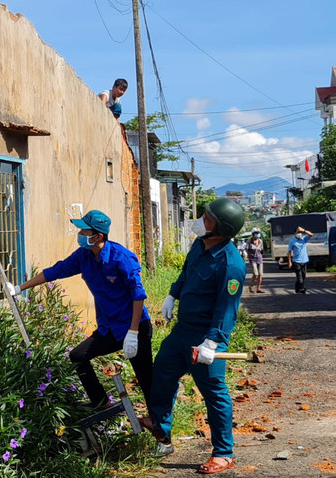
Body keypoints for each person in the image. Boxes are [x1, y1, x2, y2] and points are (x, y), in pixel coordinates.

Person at [5, 210, 154, 410]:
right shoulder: (84, 256)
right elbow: (55, 271)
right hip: (109, 328)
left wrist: (134, 332)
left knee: (147, 381)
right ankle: (101, 402)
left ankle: (160, 428)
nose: (80, 234)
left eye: (84, 231)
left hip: (134, 326)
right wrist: (18, 288)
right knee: (78, 356)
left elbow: (138, 295)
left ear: (98, 236)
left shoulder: (122, 258)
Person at [140, 197, 246, 475]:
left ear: (221, 228)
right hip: (181, 332)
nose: (201, 220)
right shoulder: (200, 244)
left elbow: (227, 309)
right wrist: (172, 294)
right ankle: (161, 429)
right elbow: (186, 272)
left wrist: (212, 342)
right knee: (162, 372)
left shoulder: (231, 264)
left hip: (206, 338)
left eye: (208, 219)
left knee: (214, 394)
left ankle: (224, 453)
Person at [286, 226, 313, 295]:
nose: (299, 234)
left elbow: (311, 234)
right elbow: (289, 252)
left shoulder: (304, 239)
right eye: (298, 232)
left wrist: (303, 230)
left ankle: (297, 288)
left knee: (303, 276)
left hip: (304, 260)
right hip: (296, 261)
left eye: (300, 232)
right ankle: (302, 288)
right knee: (299, 276)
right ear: (295, 233)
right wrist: (290, 262)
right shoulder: (292, 241)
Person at [246, 228, 265, 293]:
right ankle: (251, 287)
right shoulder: (249, 242)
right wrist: (249, 257)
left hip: (259, 259)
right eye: (256, 233)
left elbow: (261, 250)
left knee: (260, 274)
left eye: (258, 233)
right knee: (255, 274)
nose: (257, 234)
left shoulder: (260, 241)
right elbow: (247, 250)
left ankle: (258, 288)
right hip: (252, 259)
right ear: (253, 234)